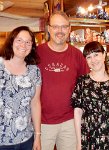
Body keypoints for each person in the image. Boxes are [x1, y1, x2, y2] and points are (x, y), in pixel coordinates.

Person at [36, 11, 89, 150]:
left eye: (64, 27)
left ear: (69, 29)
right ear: (49, 28)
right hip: (42, 123)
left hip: (70, 122)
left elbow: (88, 83)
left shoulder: (77, 55)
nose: (60, 31)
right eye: (55, 27)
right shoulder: (36, 53)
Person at [0, 26, 41, 150]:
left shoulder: (34, 71)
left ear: (32, 46)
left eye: (28, 42)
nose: (23, 44)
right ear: (11, 41)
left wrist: (38, 136)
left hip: (26, 139)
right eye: (19, 40)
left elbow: (35, 104)